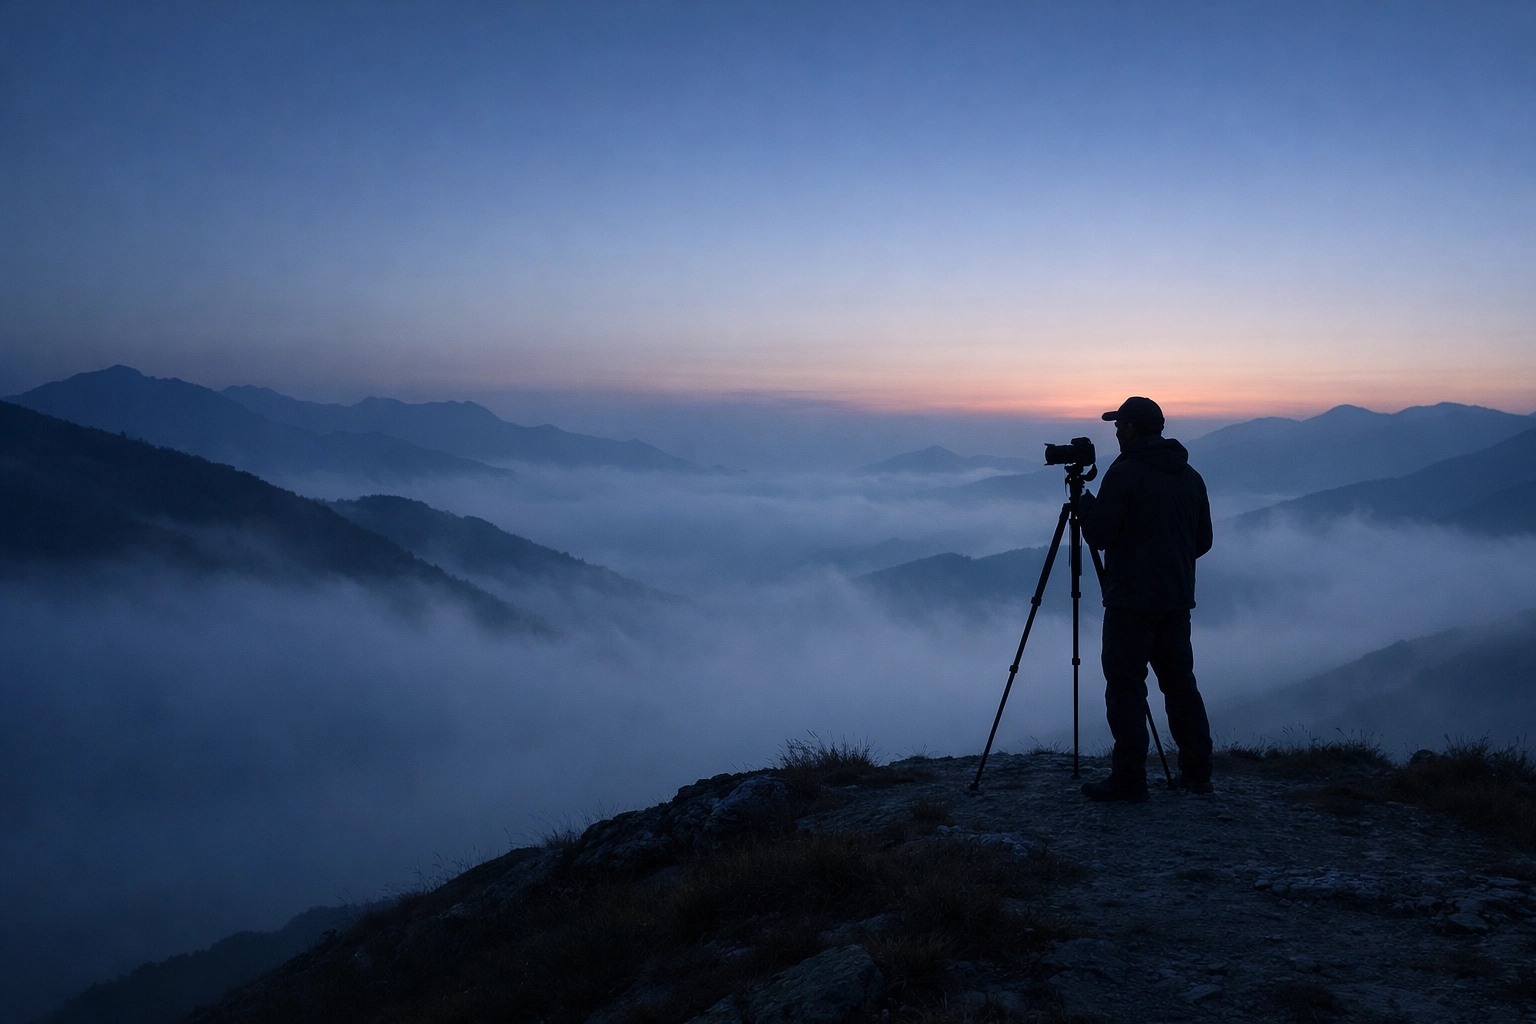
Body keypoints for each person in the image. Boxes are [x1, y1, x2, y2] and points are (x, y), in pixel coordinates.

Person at [1077, 396, 1214, 802]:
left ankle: (1129, 779)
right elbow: (1202, 541)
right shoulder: (1190, 476)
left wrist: (1085, 506)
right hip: (1176, 601)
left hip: (1130, 603)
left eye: (1119, 426)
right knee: (1180, 685)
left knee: (1126, 687)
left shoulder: (1126, 473)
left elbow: (1101, 535)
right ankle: (1199, 772)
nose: (1116, 432)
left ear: (1132, 430)